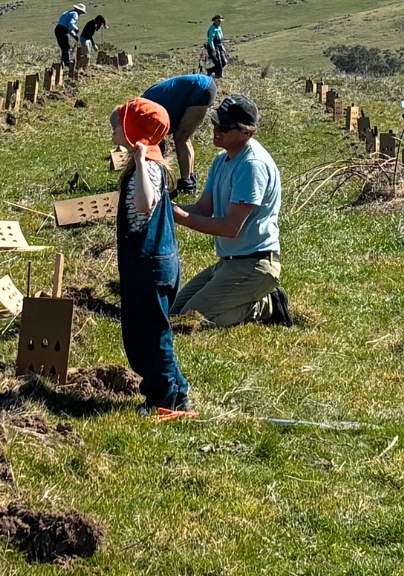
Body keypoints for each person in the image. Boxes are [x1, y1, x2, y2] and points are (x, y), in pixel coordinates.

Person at [172, 95, 293, 327]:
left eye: (225, 127)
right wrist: (168, 210)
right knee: (175, 314)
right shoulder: (221, 160)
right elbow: (204, 209)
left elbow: (230, 227)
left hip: (254, 265)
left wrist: (180, 217)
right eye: (216, 122)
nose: (217, 130)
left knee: (189, 322)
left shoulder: (251, 166)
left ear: (247, 133)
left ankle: (265, 305)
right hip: (228, 263)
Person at [110, 97, 194, 418]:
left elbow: (145, 203)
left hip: (151, 265)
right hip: (145, 263)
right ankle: (176, 393)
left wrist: (143, 160)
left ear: (134, 132)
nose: (113, 131)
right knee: (147, 330)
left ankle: (164, 400)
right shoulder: (140, 165)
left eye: (118, 124)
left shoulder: (151, 169)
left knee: (152, 333)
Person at [141, 74, 218, 195]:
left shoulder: (143, 111)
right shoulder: (143, 105)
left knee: (181, 137)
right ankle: (190, 179)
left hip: (200, 89)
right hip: (203, 87)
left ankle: (186, 184)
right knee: (184, 137)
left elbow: (154, 145)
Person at [54, 3, 86, 68]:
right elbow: (70, 24)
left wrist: (75, 36)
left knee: (64, 47)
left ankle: (63, 63)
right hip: (63, 30)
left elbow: (68, 27)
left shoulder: (69, 12)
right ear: (79, 10)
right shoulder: (75, 14)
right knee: (66, 47)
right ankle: (67, 63)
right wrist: (76, 29)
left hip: (58, 29)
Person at [205, 14, 227, 79]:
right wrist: (213, 50)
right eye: (218, 21)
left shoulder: (219, 28)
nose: (219, 22)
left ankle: (210, 70)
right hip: (213, 46)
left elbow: (220, 40)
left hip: (219, 45)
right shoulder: (212, 29)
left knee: (224, 62)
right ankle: (218, 75)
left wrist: (223, 48)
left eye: (220, 21)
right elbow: (210, 40)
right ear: (214, 21)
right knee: (218, 62)